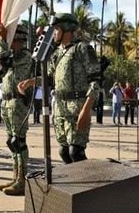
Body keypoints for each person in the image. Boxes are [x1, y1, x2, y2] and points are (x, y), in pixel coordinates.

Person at [21, 13, 101, 164]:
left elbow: (95, 81)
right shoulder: (57, 53)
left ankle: (90, 184)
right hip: (60, 108)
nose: (54, 33)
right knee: (64, 151)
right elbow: (50, 79)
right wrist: (31, 82)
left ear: (66, 30)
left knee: (75, 151)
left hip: (77, 107)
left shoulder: (82, 49)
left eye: (57, 29)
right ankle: (77, 185)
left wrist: (86, 110)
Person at [0, 23, 33, 196]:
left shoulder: (24, 55)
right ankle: (15, 176)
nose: (10, 43)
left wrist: (3, 40)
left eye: (12, 39)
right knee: (12, 142)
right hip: (8, 103)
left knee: (19, 142)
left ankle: (22, 180)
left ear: (18, 39)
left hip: (18, 103)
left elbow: (5, 60)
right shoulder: (14, 56)